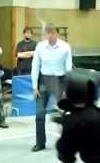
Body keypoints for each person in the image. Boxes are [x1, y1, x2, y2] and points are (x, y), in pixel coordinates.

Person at [31, 23, 73, 151]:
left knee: (64, 113)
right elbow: (35, 66)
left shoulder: (65, 47)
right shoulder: (40, 46)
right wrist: (34, 86)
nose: (50, 36)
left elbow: (68, 69)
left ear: (57, 34)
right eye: (47, 33)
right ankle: (40, 143)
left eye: (52, 33)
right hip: (44, 81)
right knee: (39, 113)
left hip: (59, 81)